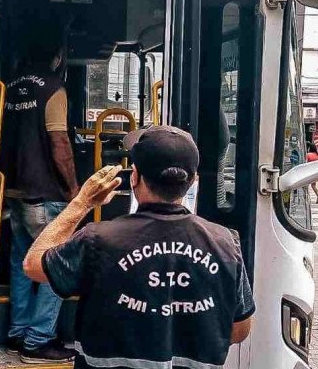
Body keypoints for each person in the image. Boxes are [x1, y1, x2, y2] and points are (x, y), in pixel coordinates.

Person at [23, 126, 255, 368]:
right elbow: (239, 331)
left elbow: (32, 265)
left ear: (134, 177)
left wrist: (82, 203)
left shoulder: (97, 240)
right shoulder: (227, 243)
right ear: (193, 181)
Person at [0, 27, 79, 363]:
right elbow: (60, 144)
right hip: (46, 195)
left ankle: (18, 333)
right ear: (57, 56)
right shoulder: (53, 89)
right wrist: (76, 191)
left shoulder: (12, 85)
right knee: (55, 266)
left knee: (21, 264)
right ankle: (38, 340)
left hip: (15, 191)